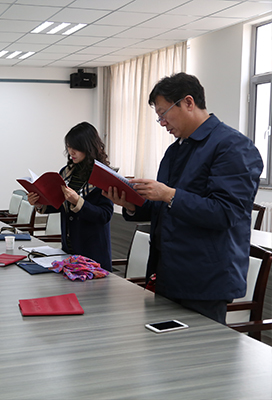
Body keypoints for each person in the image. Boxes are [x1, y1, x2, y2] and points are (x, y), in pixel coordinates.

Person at [104, 72, 263, 324]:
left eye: (164, 113)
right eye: (158, 117)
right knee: (162, 344)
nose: (162, 123)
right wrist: (131, 204)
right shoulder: (175, 149)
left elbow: (225, 213)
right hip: (167, 272)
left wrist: (168, 194)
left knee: (199, 347)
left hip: (205, 279)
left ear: (188, 102)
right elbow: (164, 208)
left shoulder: (232, 146)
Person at [28, 122, 114, 271]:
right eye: (69, 147)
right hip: (69, 249)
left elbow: (104, 215)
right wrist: (39, 202)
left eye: (76, 147)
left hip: (93, 253)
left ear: (88, 147)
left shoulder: (103, 176)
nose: (71, 152)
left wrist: (78, 202)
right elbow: (60, 204)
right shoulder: (66, 172)